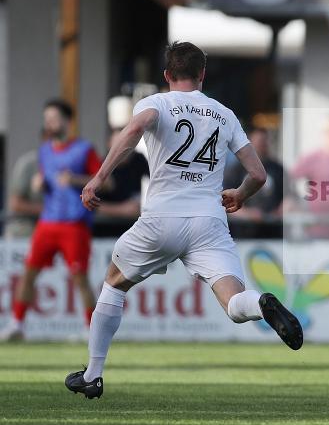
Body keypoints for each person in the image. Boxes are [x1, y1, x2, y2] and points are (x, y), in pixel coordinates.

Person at [64, 41, 302, 399]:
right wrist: (239, 194)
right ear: (202, 74)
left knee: (113, 284)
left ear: (167, 75)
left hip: (162, 218)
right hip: (208, 221)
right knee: (234, 303)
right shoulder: (224, 114)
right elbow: (258, 173)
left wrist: (97, 178)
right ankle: (260, 304)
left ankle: (93, 375)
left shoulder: (156, 103)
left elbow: (134, 129)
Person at [1, 100, 101, 342]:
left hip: (74, 224)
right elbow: (49, 183)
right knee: (29, 273)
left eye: (54, 118)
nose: (49, 123)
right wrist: (41, 184)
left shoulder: (84, 149)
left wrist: (76, 179)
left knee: (80, 277)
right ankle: (16, 324)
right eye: (47, 119)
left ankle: (91, 329)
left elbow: (106, 181)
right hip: (47, 222)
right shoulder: (44, 151)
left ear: (68, 121)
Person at [91, 127, 150, 237]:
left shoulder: (138, 160)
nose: (122, 148)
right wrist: (124, 210)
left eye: (126, 142)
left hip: (132, 226)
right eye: (117, 143)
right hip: (105, 226)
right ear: (109, 145)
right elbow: (94, 207)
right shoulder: (102, 167)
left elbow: (157, 179)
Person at [224, 126, 285, 220]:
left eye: (265, 141)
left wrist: (282, 210)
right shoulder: (235, 170)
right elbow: (226, 203)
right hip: (244, 229)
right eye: (259, 142)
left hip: (273, 226)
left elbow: (288, 197)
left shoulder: (277, 169)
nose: (262, 145)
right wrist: (249, 214)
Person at [5, 147, 43, 239]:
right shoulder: (30, 163)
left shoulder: (69, 163)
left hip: (55, 228)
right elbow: (15, 203)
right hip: (25, 229)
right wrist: (50, 210)